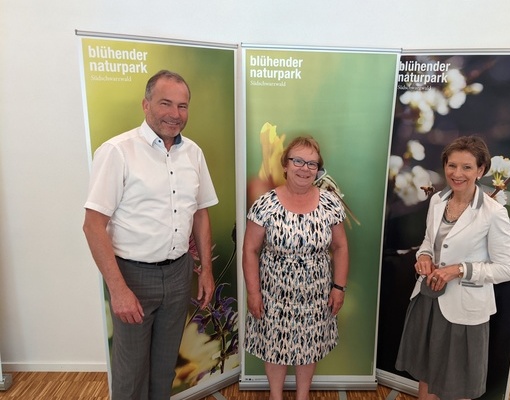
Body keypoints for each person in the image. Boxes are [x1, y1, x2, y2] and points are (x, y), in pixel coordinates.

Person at [82, 70, 218, 400]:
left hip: (178, 273)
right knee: (130, 374)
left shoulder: (193, 154)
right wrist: (118, 290)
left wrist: (206, 271)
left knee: (164, 368)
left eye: (182, 106)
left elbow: (200, 213)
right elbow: (92, 225)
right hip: (132, 276)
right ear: (146, 105)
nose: (175, 114)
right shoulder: (117, 152)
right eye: (165, 103)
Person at [395, 136, 510, 400]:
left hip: (465, 311)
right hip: (429, 300)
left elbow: (507, 269)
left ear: (481, 170)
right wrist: (425, 256)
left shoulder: (493, 213)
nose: (457, 173)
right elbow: (429, 241)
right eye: (452, 166)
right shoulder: (438, 200)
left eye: (467, 167)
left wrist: (459, 270)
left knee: (458, 385)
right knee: (426, 376)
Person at [242, 136, 349, 400]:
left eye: (312, 164)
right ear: (286, 165)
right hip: (273, 293)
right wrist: (254, 293)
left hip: (316, 293)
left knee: (309, 347)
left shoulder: (330, 203)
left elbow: (341, 247)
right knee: (274, 347)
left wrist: (339, 287)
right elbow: (250, 250)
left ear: (318, 169)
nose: (304, 168)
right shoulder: (265, 203)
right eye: (298, 161)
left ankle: (303, 396)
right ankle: (275, 396)